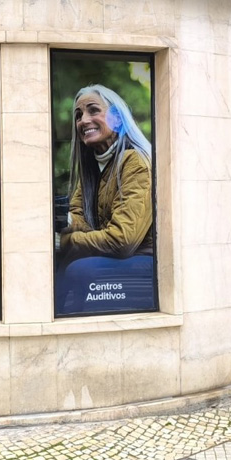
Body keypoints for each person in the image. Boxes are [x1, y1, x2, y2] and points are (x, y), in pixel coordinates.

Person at [56, 84, 153, 313]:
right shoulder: (92, 168)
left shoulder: (136, 162)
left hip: (143, 260)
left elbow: (123, 240)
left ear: (117, 119)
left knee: (79, 268)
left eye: (93, 110)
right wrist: (64, 222)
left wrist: (64, 241)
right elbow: (81, 221)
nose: (83, 120)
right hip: (119, 257)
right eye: (78, 115)